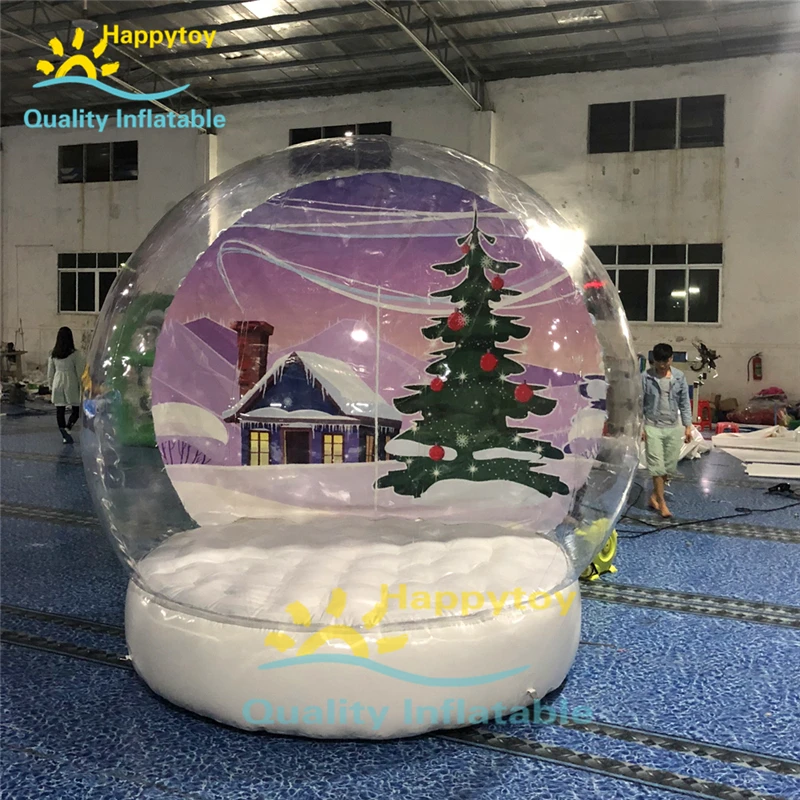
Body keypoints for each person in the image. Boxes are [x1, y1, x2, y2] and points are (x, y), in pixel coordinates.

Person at [641, 343, 693, 518]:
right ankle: (662, 503)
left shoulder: (679, 377)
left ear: (671, 359)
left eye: (665, 362)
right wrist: (640, 426)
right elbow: (639, 403)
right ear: (654, 361)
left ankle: (654, 496)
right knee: (657, 467)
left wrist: (688, 426)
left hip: (672, 426)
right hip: (652, 426)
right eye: (659, 362)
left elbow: (684, 403)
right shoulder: (646, 378)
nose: (662, 366)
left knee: (669, 468)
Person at [47, 327, 85, 444]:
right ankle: (68, 427)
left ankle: (63, 433)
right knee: (76, 409)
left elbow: (50, 373)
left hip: (57, 381)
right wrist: (82, 386)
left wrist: (50, 386)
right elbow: (80, 372)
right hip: (71, 382)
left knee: (60, 409)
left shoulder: (53, 354)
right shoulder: (75, 354)